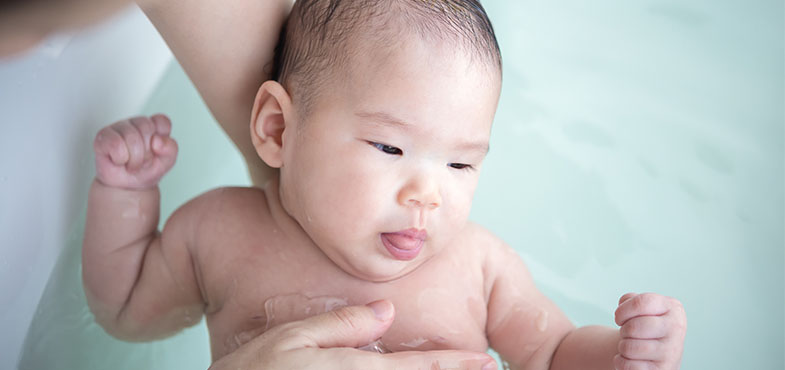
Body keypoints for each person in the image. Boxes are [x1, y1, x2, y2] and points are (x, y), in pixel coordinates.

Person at [81, 1, 687, 370]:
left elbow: (552, 356)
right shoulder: (216, 233)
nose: (428, 194)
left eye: (461, 165)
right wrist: (126, 198)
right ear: (276, 129)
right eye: (390, 148)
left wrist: (620, 355)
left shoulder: (481, 267)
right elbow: (129, 311)